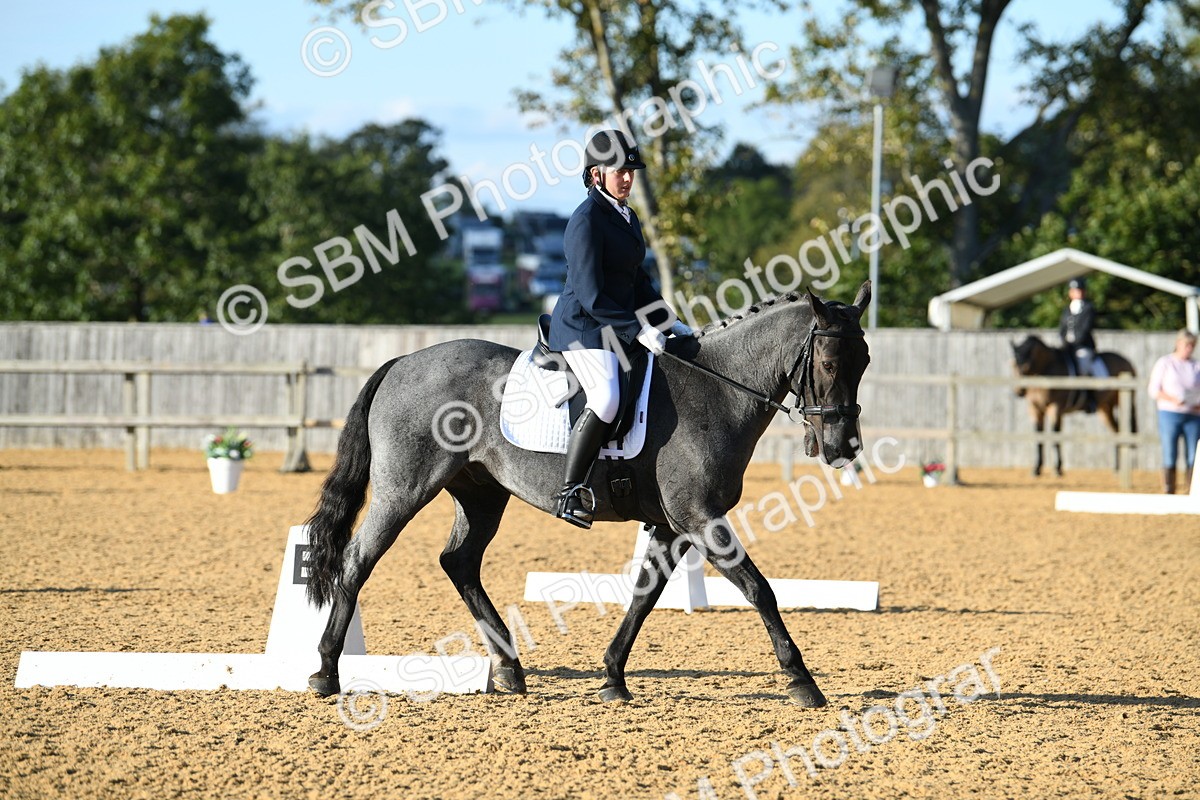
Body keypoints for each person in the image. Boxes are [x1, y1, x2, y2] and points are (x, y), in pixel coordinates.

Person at [546, 129, 678, 529]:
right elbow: (591, 295)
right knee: (605, 398)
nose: (627, 178)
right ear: (596, 173)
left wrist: (669, 321)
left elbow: (637, 283)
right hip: (582, 329)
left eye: (631, 171)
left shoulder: (627, 216)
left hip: (615, 325)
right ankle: (571, 491)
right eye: (618, 170)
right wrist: (638, 330)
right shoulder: (586, 220)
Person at [1147, 329, 1200, 494]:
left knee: (1193, 454)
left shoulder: (1196, 365)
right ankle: (1169, 490)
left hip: (1193, 414)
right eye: (1186, 345)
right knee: (1169, 452)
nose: (1189, 349)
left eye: (1192, 346)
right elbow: (1153, 389)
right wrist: (1173, 399)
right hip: (1170, 413)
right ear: (1178, 344)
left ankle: (1191, 490)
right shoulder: (1165, 363)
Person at [1059, 277, 1106, 411]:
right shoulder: (1067, 310)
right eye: (1074, 290)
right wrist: (1064, 341)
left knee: (1083, 367)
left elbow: (1085, 329)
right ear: (1070, 293)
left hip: (1082, 347)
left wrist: (1074, 342)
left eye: (1079, 290)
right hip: (1067, 347)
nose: (1077, 293)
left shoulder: (1088, 308)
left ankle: (1089, 399)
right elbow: (1062, 329)